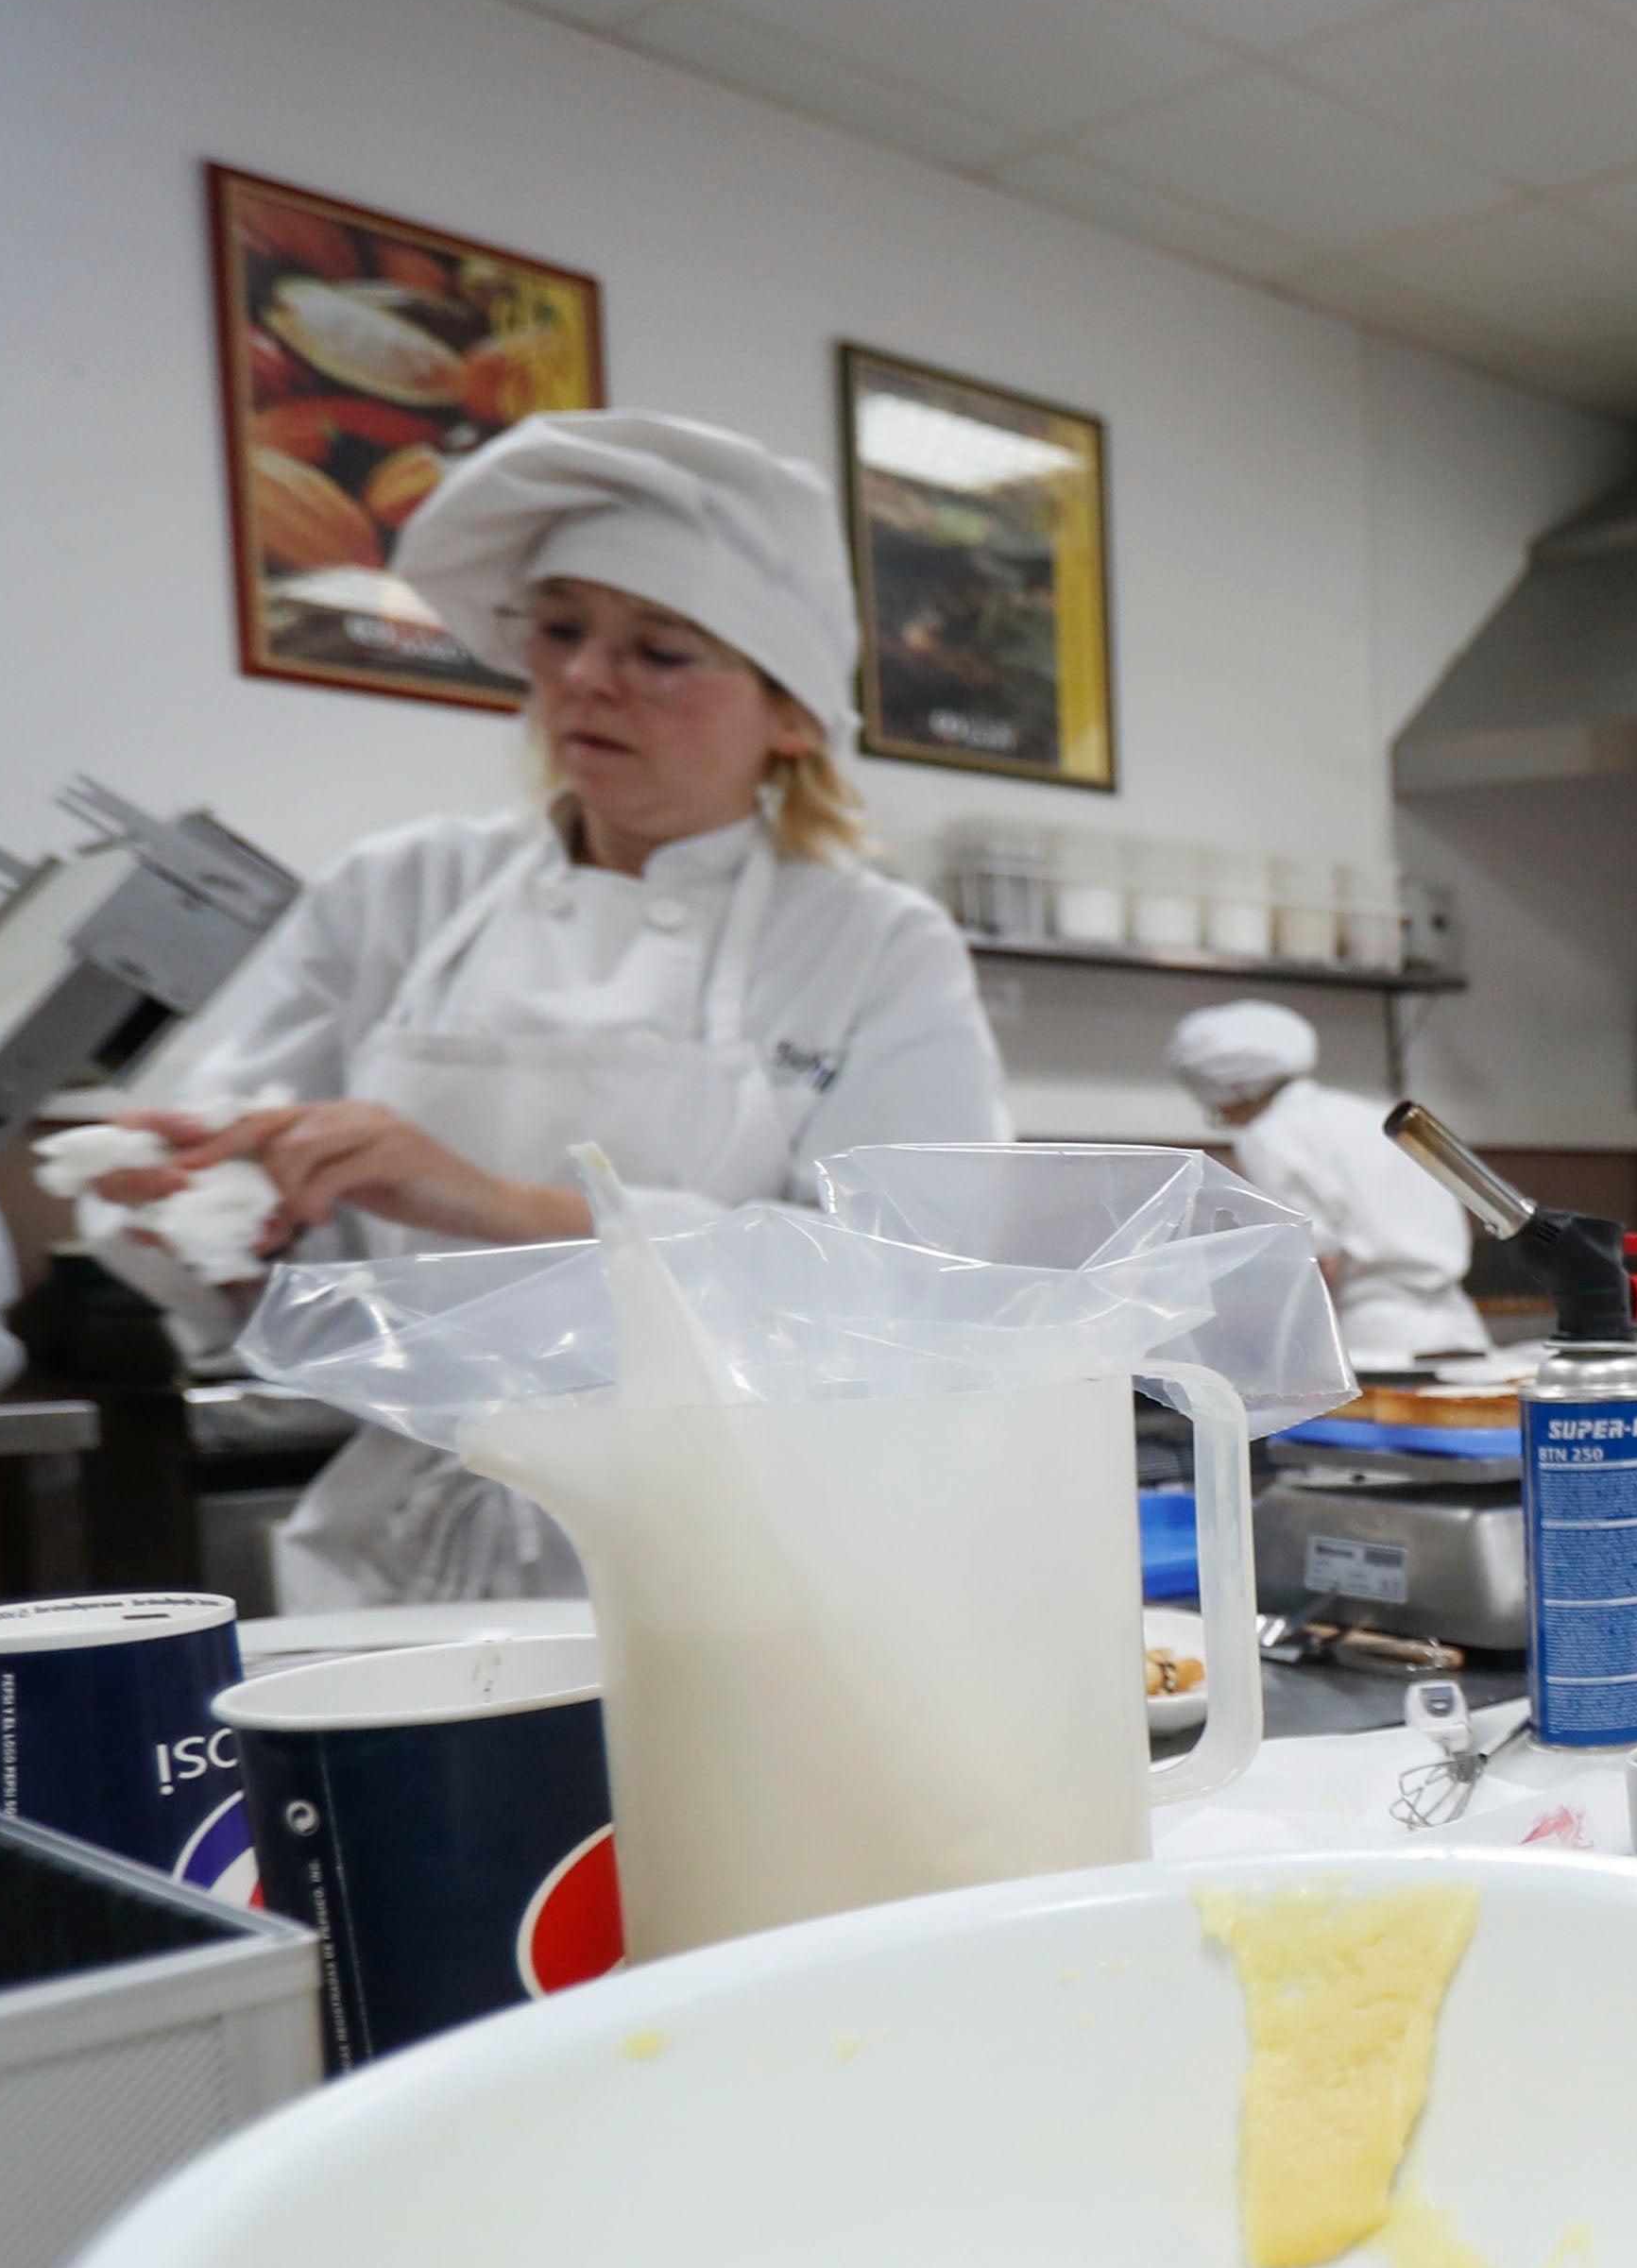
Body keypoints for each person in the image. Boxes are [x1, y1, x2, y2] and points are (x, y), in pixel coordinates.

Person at [108, 411, 1006, 1601]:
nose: (585, 677)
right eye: (564, 630)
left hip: (752, 1550)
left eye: (662, 650)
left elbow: (909, 1291)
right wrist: (206, 1207)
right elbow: (258, 1259)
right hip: (409, 1541)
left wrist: (485, 1201)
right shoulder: (402, 891)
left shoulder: (873, 944)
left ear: (789, 716)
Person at [1167, 999, 1488, 1365]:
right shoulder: (1368, 1114)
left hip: (1378, 1344)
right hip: (1461, 1332)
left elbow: (1315, 1263)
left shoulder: (1271, 1135)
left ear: (1234, 1089)